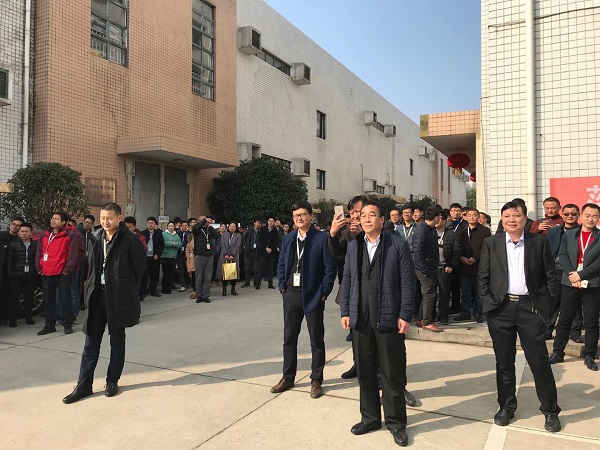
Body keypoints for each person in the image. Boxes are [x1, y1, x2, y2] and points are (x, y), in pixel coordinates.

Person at [478, 200, 561, 433]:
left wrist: (546, 309)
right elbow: (483, 277)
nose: (511, 220)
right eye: (507, 216)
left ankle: (550, 410)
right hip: (500, 309)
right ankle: (506, 407)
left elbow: (551, 276)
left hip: (530, 309)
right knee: (504, 362)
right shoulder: (491, 243)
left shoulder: (538, 242)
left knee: (539, 361)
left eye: (516, 215)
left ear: (525, 219)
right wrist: (488, 305)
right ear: (502, 220)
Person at [340, 200, 415, 447]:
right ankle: (370, 418)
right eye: (363, 215)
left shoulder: (397, 244)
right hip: (361, 318)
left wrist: (405, 314)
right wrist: (345, 310)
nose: (367, 219)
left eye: (372, 215)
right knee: (365, 371)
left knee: (392, 373)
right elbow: (347, 279)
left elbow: (408, 282)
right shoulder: (355, 245)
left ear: (382, 220)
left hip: (388, 317)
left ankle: (396, 423)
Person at [63, 202, 146, 404]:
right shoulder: (95, 236)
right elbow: (92, 266)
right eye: (102, 218)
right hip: (97, 294)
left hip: (118, 296)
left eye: (109, 218)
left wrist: (123, 286)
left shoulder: (130, 239)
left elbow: (139, 268)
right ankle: (84, 385)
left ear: (119, 218)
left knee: (117, 339)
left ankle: (112, 380)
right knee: (91, 340)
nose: (105, 222)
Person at [270, 201, 337, 399]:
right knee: (289, 338)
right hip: (291, 294)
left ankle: (316, 379)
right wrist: (282, 286)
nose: (299, 218)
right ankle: (288, 377)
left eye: (303, 214)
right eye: (296, 215)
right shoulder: (288, 238)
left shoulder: (321, 238)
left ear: (311, 216)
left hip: (313, 295)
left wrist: (324, 292)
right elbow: (282, 263)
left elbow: (330, 268)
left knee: (316, 339)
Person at [549, 203, 600, 371]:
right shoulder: (569, 234)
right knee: (564, 320)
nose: (590, 219)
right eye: (587, 215)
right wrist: (572, 274)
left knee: (591, 322)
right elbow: (562, 255)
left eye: (594, 216)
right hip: (570, 282)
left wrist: (581, 274)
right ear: (581, 216)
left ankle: (589, 355)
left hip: (592, 283)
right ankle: (558, 352)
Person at [36, 212, 79, 335]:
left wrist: (67, 270)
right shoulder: (45, 235)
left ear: (63, 222)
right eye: (52, 218)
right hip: (47, 271)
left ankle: (67, 324)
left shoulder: (70, 235)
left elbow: (72, 254)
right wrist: (39, 268)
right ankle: (49, 325)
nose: (53, 220)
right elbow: (39, 252)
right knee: (48, 300)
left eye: (56, 219)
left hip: (62, 273)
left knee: (65, 299)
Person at [545, 204, 582, 341]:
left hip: (574, 273)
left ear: (578, 215)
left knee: (575, 304)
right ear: (562, 215)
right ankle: (547, 331)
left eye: (573, 214)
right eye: (566, 214)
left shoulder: (583, 232)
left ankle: (575, 333)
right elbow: (547, 251)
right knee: (552, 302)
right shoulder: (554, 231)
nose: (570, 216)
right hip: (555, 271)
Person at [455, 208, 491, 323]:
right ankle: (465, 312)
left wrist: (475, 258)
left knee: (478, 291)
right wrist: (461, 257)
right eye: (469, 215)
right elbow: (456, 245)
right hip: (464, 264)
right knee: (465, 291)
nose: (471, 217)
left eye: (474, 215)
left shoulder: (485, 231)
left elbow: (485, 247)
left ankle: (478, 313)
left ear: (478, 217)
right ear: (465, 217)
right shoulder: (461, 229)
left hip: (478, 265)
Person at [412, 205, 443, 332]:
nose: (440, 218)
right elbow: (417, 251)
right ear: (436, 217)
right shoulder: (422, 229)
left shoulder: (431, 229)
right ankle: (428, 321)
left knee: (428, 293)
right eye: (439, 216)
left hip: (431, 266)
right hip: (424, 268)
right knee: (430, 294)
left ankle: (421, 318)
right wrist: (423, 269)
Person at [7, 222, 39, 326]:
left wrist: (36, 271)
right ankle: (12, 320)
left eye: (26, 231)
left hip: (30, 275)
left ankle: (29, 318)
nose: (24, 233)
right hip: (16, 275)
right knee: (14, 298)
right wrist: (10, 274)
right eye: (22, 231)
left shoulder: (35, 245)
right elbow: (9, 261)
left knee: (29, 297)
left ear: (31, 233)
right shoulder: (13, 245)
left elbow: (37, 259)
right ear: (19, 233)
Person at [435, 210, 462, 325]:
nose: (436, 220)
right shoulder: (429, 232)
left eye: (439, 218)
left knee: (444, 293)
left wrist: (451, 265)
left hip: (444, 267)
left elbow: (457, 251)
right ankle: (430, 316)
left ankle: (443, 316)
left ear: (445, 221)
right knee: (430, 294)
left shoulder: (451, 234)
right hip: (431, 268)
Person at [0, 216, 24, 325]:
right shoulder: (2, 236)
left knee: (12, 297)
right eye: (13, 224)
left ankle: (9, 318)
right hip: (2, 271)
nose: (15, 227)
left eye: (18, 225)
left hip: (14, 272)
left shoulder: (20, 241)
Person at [192, 216, 219, 303]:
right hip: (199, 255)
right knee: (199, 277)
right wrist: (204, 221)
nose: (207, 222)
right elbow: (195, 228)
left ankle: (206, 295)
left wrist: (210, 226)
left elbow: (216, 236)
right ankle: (199, 295)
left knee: (208, 277)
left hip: (209, 255)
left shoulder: (209, 230)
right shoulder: (197, 230)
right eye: (204, 220)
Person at [140, 217, 165, 298]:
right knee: (144, 275)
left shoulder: (159, 233)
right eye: (148, 223)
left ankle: (153, 290)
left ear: (155, 224)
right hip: (145, 257)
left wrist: (158, 254)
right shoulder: (143, 233)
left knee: (155, 275)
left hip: (155, 257)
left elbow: (162, 245)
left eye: (152, 223)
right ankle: (143, 291)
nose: (150, 224)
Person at [216, 222, 242, 296]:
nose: (232, 228)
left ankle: (233, 289)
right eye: (230, 226)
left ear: (236, 228)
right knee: (224, 273)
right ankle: (224, 290)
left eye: (234, 226)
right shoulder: (225, 234)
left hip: (234, 256)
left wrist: (232, 254)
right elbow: (222, 244)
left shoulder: (238, 235)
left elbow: (237, 246)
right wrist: (225, 254)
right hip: (224, 255)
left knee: (233, 273)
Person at [255, 217, 278, 290]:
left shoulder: (275, 231)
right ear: (267, 222)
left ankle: (270, 283)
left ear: (274, 222)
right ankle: (258, 283)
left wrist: (271, 248)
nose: (271, 223)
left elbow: (276, 241)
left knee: (270, 268)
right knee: (260, 267)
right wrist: (266, 247)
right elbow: (260, 240)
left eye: (272, 221)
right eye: (269, 221)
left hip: (271, 252)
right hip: (263, 251)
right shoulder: (263, 229)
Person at [160, 222, 182, 295]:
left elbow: (179, 244)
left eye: (172, 226)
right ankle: (164, 288)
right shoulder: (163, 234)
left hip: (173, 256)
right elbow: (164, 243)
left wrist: (173, 243)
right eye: (169, 226)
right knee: (166, 273)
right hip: (165, 256)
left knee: (171, 273)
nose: (171, 227)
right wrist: (172, 243)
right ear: (167, 227)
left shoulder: (176, 235)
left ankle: (169, 288)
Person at [241, 220, 261, 288]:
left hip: (256, 251)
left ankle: (256, 282)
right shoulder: (249, 230)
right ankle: (247, 281)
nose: (258, 224)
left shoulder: (260, 232)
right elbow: (244, 238)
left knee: (255, 268)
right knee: (247, 267)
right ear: (254, 223)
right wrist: (245, 245)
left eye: (259, 223)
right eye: (257, 223)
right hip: (249, 251)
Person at [176, 220, 193, 292]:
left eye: (185, 225)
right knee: (180, 270)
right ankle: (183, 285)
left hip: (187, 254)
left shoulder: (190, 234)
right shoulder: (178, 233)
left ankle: (188, 283)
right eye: (183, 225)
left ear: (188, 226)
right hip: (179, 254)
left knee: (187, 269)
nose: (184, 227)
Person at [185, 233, 196, 299]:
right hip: (192, 259)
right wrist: (188, 257)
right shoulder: (189, 241)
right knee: (193, 275)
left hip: (199, 258)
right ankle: (194, 290)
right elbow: (187, 250)